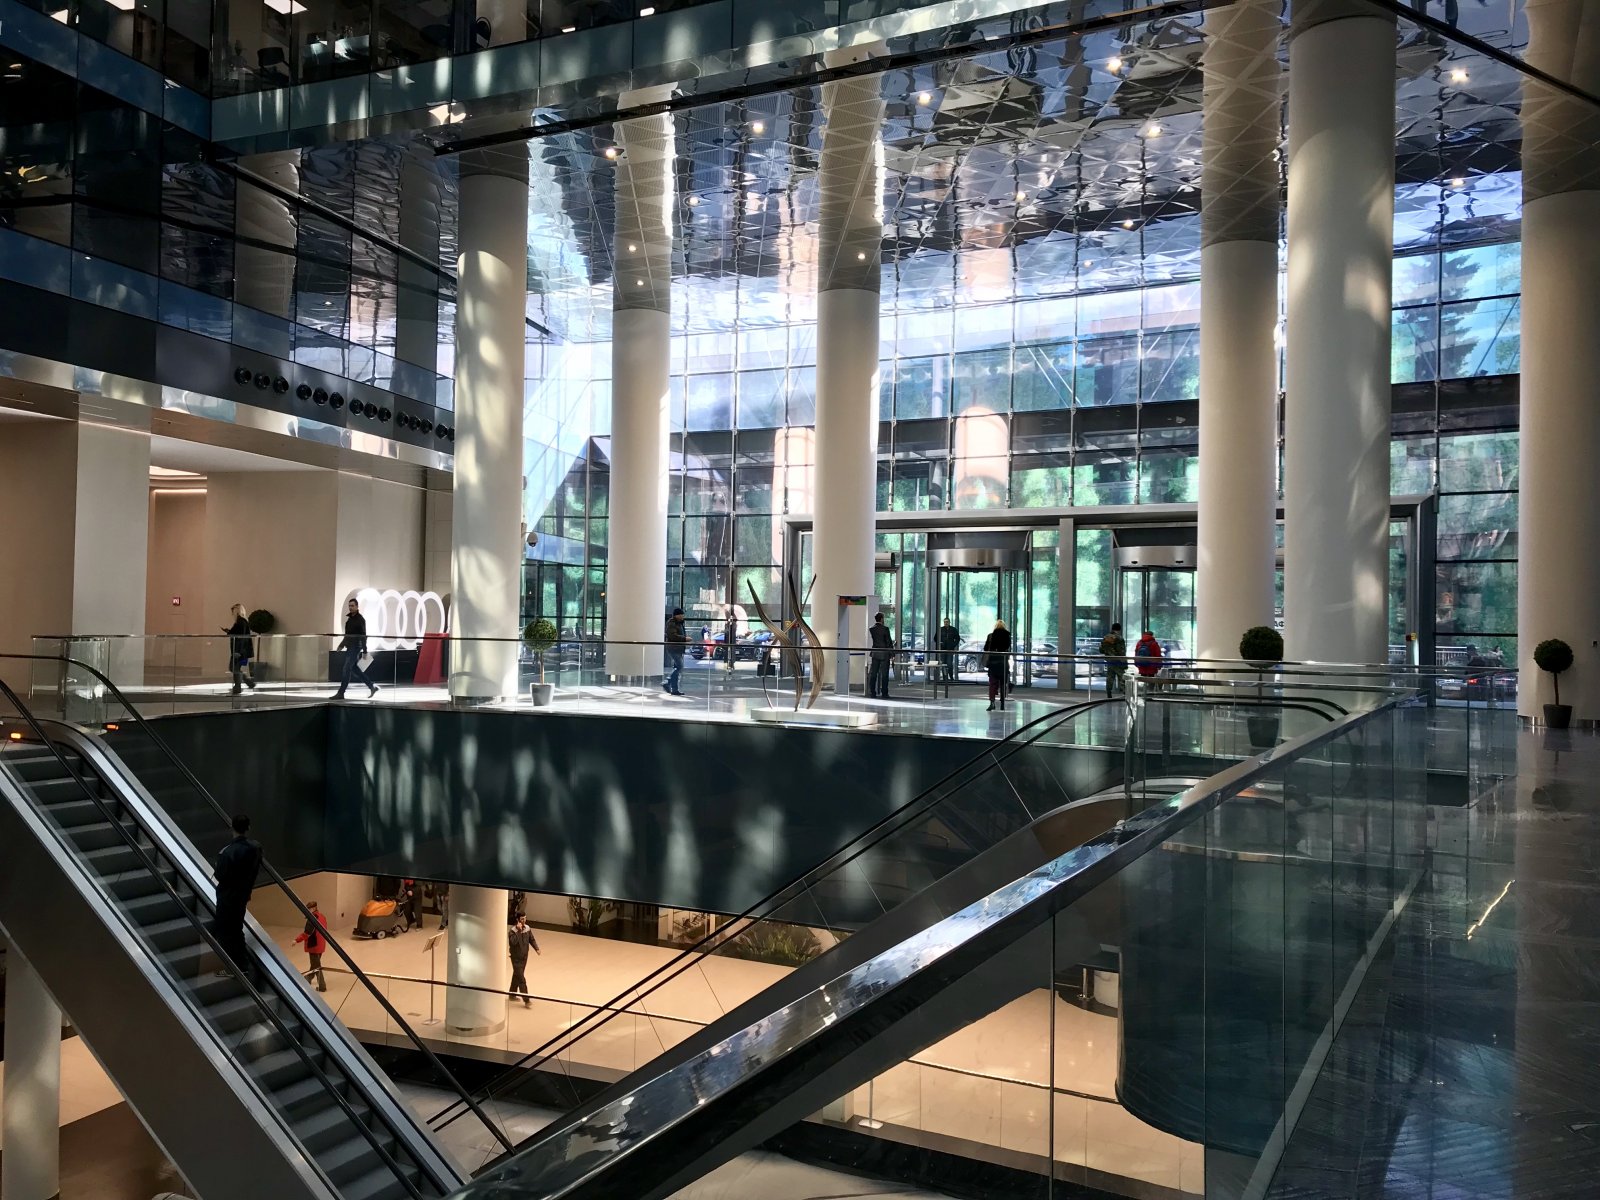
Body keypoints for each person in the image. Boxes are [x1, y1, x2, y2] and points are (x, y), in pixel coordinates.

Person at [211, 814, 263, 978]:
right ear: (249, 828)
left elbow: (220, 875)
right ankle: (241, 965)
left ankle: (237, 967)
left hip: (227, 897)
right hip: (243, 895)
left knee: (226, 932)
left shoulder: (227, 852)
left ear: (231, 827)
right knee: (236, 928)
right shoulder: (256, 848)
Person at [335, 596, 378, 699]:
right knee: (354, 669)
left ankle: (341, 693)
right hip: (350, 647)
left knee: (346, 668)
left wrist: (365, 651)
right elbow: (347, 635)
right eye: (349, 606)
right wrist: (341, 645)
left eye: (352, 606)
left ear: (357, 607)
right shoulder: (349, 619)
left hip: (355, 647)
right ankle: (371, 686)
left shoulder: (360, 620)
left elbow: (363, 636)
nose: (350, 607)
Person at [294, 899, 329, 992]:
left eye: (308, 909)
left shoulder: (312, 919)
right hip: (321, 944)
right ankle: (307, 979)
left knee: (317, 966)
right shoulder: (322, 916)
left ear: (313, 908)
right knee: (314, 964)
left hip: (314, 945)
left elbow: (306, 934)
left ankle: (322, 986)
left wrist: (296, 940)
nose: (307, 911)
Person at [507, 913, 541, 1007]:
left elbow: (531, 939)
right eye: (522, 919)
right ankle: (527, 1000)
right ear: (517, 920)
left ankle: (512, 994)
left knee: (517, 975)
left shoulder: (527, 928)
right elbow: (513, 942)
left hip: (524, 957)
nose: (524, 921)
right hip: (516, 958)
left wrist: (536, 948)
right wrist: (518, 930)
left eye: (525, 918)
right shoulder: (513, 931)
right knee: (521, 979)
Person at [223, 603, 256, 695]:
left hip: (239, 650)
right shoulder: (242, 622)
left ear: (237, 611)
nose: (232, 614)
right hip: (240, 650)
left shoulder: (241, 622)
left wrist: (238, 652)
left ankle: (240, 686)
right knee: (235, 668)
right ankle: (246, 683)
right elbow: (237, 634)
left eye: (233, 611)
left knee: (234, 668)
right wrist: (229, 632)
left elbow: (242, 638)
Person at [983, 619, 1012, 711]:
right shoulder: (1007, 636)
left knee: (992, 683)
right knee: (1003, 683)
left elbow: (985, 648)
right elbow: (1007, 647)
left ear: (995, 626)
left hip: (993, 663)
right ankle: (1002, 702)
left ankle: (992, 702)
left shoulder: (990, 636)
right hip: (1003, 662)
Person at [868, 611, 895, 699]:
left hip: (875, 653)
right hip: (884, 653)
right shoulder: (885, 629)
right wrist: (892, 653)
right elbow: (888, 642)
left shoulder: (871, 629)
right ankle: (884, 693)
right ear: (882, 619)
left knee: (874, 674)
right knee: (885, 674)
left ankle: (872, 692)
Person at [664, 607, 688, 696]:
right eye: (681, 615)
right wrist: (684, 639)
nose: (683, 616)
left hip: (678, 648)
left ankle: (674, 689)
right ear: (677, 615)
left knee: (677, 667)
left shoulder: (679, 623)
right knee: (680, 667)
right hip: (673, 648)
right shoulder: (672, 623)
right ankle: (667, 682)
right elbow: (673, 636)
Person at [1099, 622, 1127, 696]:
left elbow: (1101, 650)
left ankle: (1109, 693)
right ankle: (1125, 693)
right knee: (1121, 677)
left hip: (1109, 660)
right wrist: (1124, 661)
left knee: (1110, 677)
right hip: (1118, 661)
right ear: (1119, 629)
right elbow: (1122, 651)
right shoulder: (1119, 638)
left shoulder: (1106, 637)